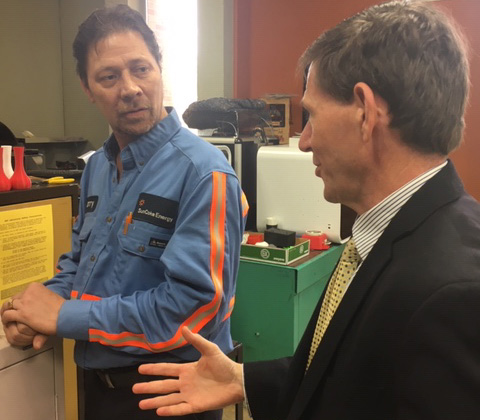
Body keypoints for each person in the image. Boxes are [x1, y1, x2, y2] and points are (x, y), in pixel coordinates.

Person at [131, 1, 480, 419]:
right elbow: (354, 376)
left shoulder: (452, 293)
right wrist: (244, 380)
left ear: (365, 111)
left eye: (311, 114)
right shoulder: (392, 237)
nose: (307, 140)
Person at [1, 5, 247, 420]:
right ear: (87, 87)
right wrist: (35, 309)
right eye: (109, 77)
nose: (129, 88)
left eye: (141, 69)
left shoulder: (205, 174)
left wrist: (63, 315)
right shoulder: (96, 167)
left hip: (173, 397)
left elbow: (192, 310)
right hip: (100, 390)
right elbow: (82, 266)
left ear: (159, 70)